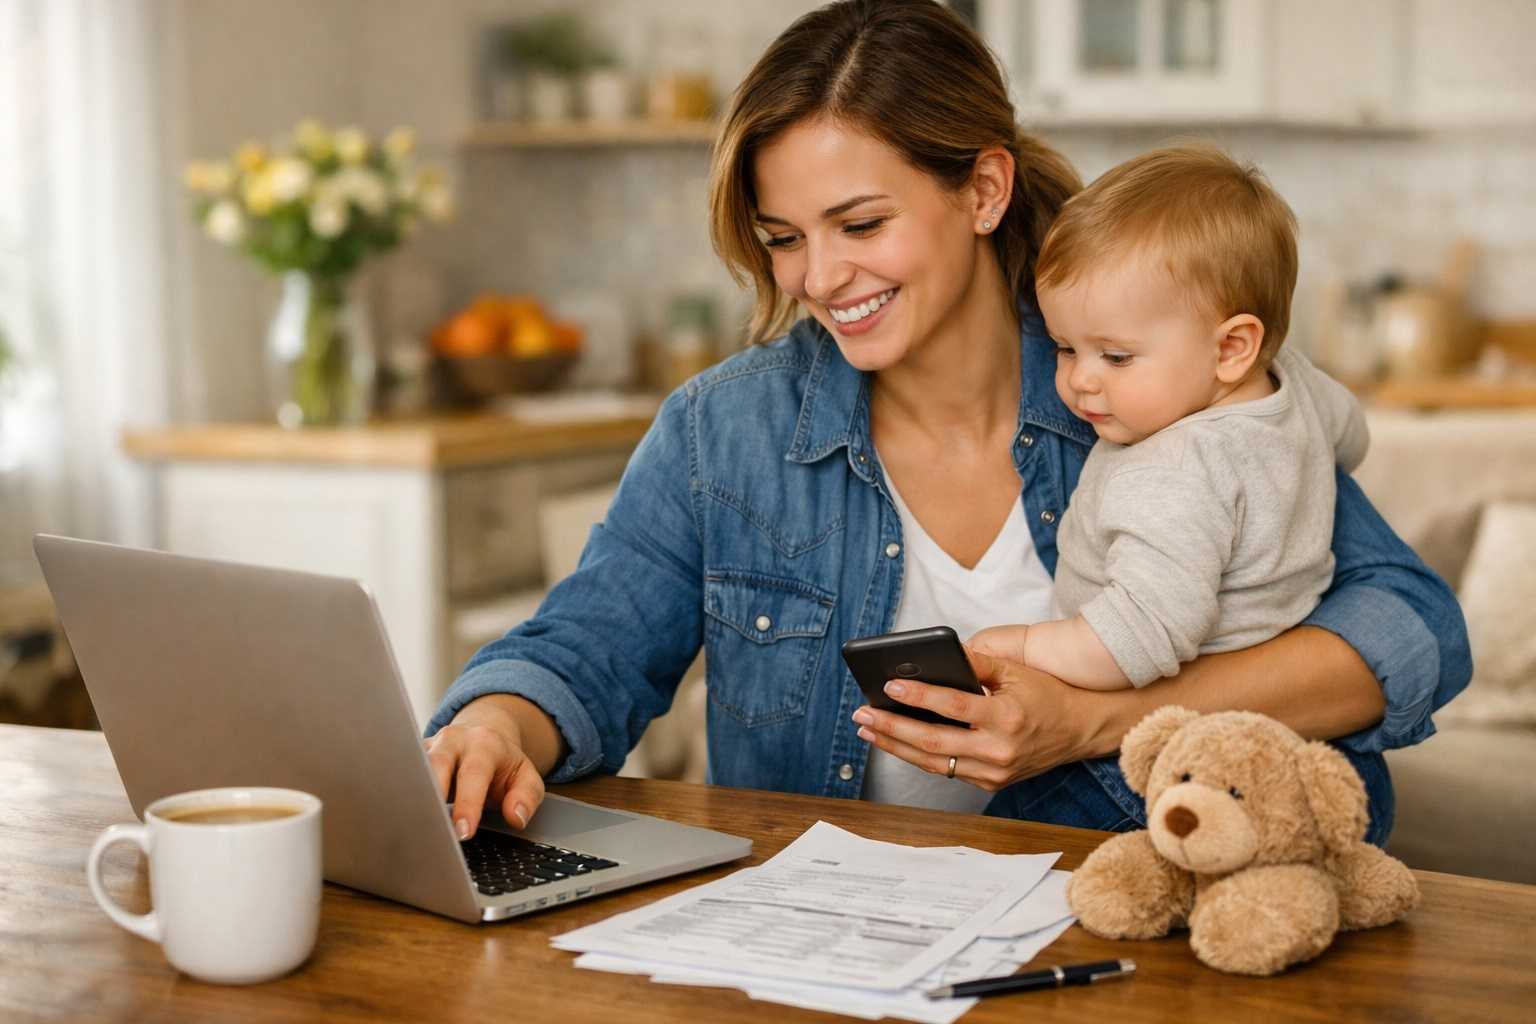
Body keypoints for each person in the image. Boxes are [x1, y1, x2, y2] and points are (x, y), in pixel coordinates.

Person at [424, 0, 1468, 845]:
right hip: (824, 939)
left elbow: (1407, 629)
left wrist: (1094, 724)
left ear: (983, 190)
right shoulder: (723, 431)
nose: (819, 278)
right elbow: (586, 649)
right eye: (784, 238)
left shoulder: (1146, 384)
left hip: (1118, 938)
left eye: (861, 223)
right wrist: (495, 724)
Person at [975, 146, 1371, 691]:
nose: (1080, 378)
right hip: (1274, 677)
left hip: (1156, 712)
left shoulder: (1169, 470)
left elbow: (1135, 640)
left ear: (1231, 347)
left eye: (1116, 357)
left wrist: (1022, 647)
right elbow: (1352, 438)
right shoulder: (1295, 383)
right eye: (1064, 348)